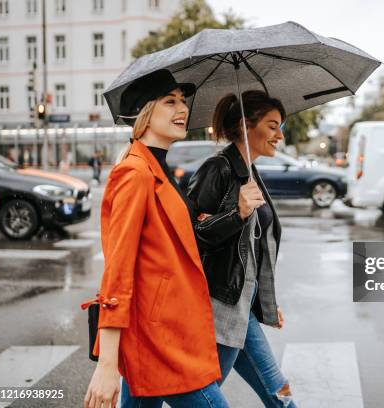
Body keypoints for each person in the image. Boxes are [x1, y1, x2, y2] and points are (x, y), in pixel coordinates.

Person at [83, 69, 228, 408]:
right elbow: (117, 270)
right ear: (145, 113)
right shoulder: (134, 174)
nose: (183, 110)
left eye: (183, 102)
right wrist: (107, 366)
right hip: (159, 338)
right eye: (170, 102)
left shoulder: (159, 168)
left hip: (168, 328)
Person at [186, 90, 296, 408]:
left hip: (240, 307)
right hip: (218, 307)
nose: (280, 135)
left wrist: (264, 300)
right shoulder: (217, 170)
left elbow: (254, 247)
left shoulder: (250, 171)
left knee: (278, 394)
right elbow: (189, 238)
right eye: (273, 125)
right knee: (200, 396)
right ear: (248, 126)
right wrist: (237, 214)